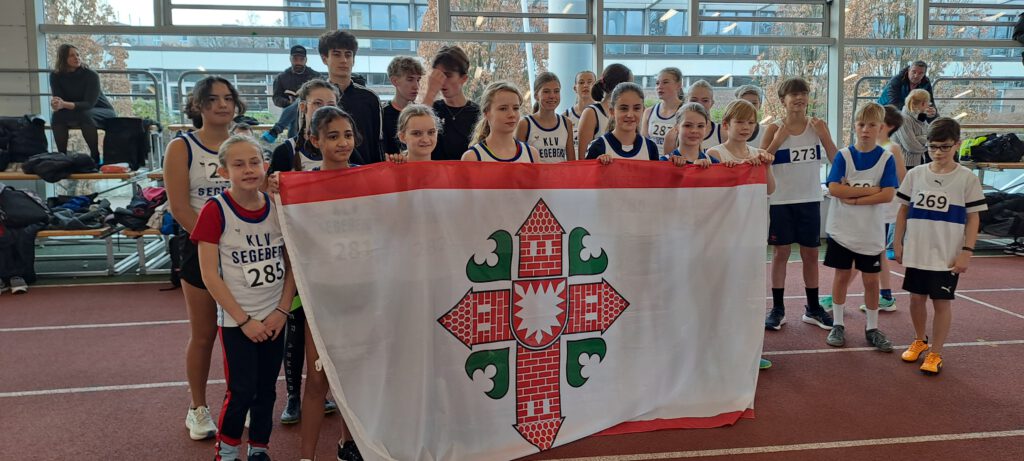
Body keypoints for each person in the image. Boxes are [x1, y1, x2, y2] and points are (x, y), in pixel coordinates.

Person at [268, 106, 364, 461]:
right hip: (322, 297)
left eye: (348, 135)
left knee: (356, 379)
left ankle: (347, 445)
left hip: (362, 293)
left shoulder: (368, 178)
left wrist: (400, 165)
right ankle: (306, 456)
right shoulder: (301, 184)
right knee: (318, 380)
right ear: (314, 140)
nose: (343, 143)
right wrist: (272, 188)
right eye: (333, 136)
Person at [192, 135, 295, 461]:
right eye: (239, 164)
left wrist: (282, 310)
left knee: (267, 390)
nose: (249, 170)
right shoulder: (215, 210)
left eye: (254, 162)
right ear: (224, 172)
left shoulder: (277, 206)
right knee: (241, 391)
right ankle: (226, 451)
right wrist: (244, 320)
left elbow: (292, 264)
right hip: (238, 322)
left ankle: (259, 449)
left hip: (274, 318)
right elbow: (210, 275)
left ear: (265, 165)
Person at [164, 76, 246, 442]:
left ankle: (240, 400)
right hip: (201, 248)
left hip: (244, 250)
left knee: (243, 330)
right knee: (204, 333)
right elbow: (180, 207)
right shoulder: (181, 147)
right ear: (198, 105)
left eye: (228, 98)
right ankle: (197, 408)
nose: (222, 105)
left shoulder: (243, 143)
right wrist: (215, 242)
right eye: (213, 99)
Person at [266, 79, 342, 426]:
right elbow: (271, 197)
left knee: (328, 328)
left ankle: (327, 391)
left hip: (333, 255)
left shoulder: (344, 150)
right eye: (317, 103)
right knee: (297, 326)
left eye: (331, 102)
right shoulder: (287, 151)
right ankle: (295, 394)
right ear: (304, 108)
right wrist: (272, 187)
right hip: (298, 254)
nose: (324, 107)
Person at [895, 118, 986, 375]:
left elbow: (973, 218)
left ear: (957, 144)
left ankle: (936, 351)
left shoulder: (966, 179)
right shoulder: (915, 174)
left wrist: (967, 252)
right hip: (917, 250)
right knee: (915, 299)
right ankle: (919, 340)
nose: (937, 152)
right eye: (933, 146)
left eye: (944, 147)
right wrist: (897, 242)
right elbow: (903, 211)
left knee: (941, 303)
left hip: (946, 255)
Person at [761, 77, 839, 332]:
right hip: (781, 200)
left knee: (811, 254)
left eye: (803, 93)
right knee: (780, 253)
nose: (799, 98)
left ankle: (813, 308)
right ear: (783, 100)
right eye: (793, 94)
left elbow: (836, 160)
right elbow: (761, 162)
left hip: (810, 199)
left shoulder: (817, 126)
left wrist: (824, 135)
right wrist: (778, 139)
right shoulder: (774, 128)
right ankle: (778, 308)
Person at [821, 102, 899, 352]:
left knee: (871, 281)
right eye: (861, 124)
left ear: (881, 128)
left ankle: (872, 328)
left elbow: (887, 194)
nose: (865, 130)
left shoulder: (886, 158)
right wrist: (871, 190)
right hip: (842, 229)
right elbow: (835, 188)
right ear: (854, 126)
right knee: (842, 276)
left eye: (871, 125)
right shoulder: (844, 156)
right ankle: (838, 324)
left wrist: (853, 197)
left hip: (870, 231)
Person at [317, 30, 384, 164]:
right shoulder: (315, 98)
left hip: (364, 171)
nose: (344, 60)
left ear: (354, 59)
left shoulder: (370, 98)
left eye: (348, 55)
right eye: (337, 54)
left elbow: (378, 143)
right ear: (324, 59)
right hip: (325, 171)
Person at [49, 44, 117, 163]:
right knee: (57, 116)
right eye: (72, 55)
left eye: (78, 55)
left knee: (85, 115)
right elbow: (59, 98)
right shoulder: (55, 75)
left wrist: (63, 104)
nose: (77, 58)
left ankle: (95, 157)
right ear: (63, 58)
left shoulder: (91, 75)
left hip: (101, 110)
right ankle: (62, 157)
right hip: (76, 110)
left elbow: (89, 104)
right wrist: (56, 104)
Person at [421, 46, 481, 161]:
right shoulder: (431, 108)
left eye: (448, 75)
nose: (442, 81)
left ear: (464, 78)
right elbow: (415, 131)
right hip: (434, 171)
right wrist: (430, 92)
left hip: (467, 171)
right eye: (438, 75)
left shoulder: (478, 113)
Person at [269, 79, 340, 174]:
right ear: (303, 107)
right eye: (317, 103)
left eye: (331, 105)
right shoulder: (285, 151)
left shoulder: (346, 147)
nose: (325, 110)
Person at [705, 99, 776, 194]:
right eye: (739, 122)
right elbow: (713, 191)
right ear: (725, 124)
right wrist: (739, 168)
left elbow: (769, 191)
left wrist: (766, 167)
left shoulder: (760, 154)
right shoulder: (715, 154)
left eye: (751, 123)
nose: (746, 127)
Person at [462, 81, 538, 163]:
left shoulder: (532, 154)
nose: (512, 114)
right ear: (486, 113)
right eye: (503, 109)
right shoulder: (472, 157)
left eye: (516, 108)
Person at [262, 45, 322, 143]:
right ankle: (295, 145)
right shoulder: (281, 77)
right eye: (295, 59)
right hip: (291, 112)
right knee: (297, 111)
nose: (298, 62)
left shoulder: (315, 76)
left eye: (301, 59)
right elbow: (276, 98)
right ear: (290, 59)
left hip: (311, 110)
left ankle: (278, 132)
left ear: (306, 60)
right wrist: (288, 103)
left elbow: (322, 95)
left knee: (301, 100)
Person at [585, 82, 659, 163]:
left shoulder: (651, 148)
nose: (630, 115)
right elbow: (586, 171)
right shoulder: (598, 147)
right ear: (612, 111)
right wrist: (597, 165)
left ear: (643, 110)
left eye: (636, 108)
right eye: (624, 108)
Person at [577, 63, 633, 161]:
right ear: (620, 85)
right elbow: (583, 159)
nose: (633, 90)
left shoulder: (631, 114)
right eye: (630, 85)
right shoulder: (591, 113)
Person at [516, 72, 574, 162]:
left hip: (561, 172)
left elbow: (572, 163)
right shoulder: (525, 124)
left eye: (556, 91)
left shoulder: (567, 123)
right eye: (546, 91)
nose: (552, 96)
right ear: (536, 96)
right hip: (534, 172)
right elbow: (519, 161)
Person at [383, 56, 425, 157]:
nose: (416, 86)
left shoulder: (420, 113)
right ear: (394, 81)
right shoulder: (381, 114)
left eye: (418, 80)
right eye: (410, 79)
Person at [641, 67, 684, 158]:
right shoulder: (648, 112)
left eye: (665, 82)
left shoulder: (687, 112)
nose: (660, 86)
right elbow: (643, 143)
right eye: (657, 83)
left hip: (676, 162)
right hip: (652, 162)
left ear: (679, 85)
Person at [661, 102, 718, 167]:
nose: (694, 131)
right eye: (687, 125)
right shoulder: (665, 162)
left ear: (706, 128)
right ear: (676, 127)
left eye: (700, 126)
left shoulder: (713, 163)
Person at [893, 89, 934, 168]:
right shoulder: (903, 119)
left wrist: (919, 138)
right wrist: (928, 146)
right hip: (905, 164)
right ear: (923, 103)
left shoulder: (920, 117)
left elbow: (931, 134)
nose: (929, 106)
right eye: (928, 103)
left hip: (919, 160)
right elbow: (911, 146)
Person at [563, 70, 596, 149]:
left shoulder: (603, 113)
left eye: (589, 82)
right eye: (581, 82)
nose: (585, 85)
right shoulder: (565, 116)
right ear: (575, 88)